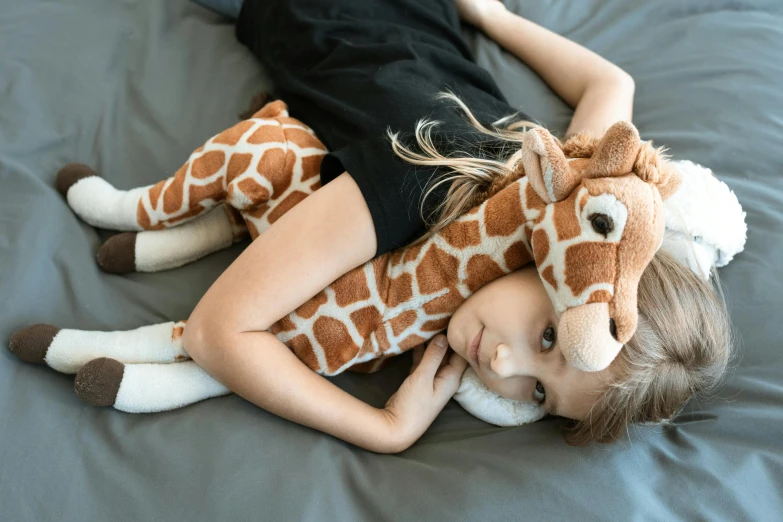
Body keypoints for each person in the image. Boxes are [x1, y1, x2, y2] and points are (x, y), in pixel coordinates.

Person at [178, 0, 732, 453]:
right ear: (568, 265)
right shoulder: (424, 183)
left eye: (538, 393)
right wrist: (384, 430)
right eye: (545, 337)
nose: (499, 364)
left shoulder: (541, 186)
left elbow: (611, 84)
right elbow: (215, 332)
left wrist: (495, 19)